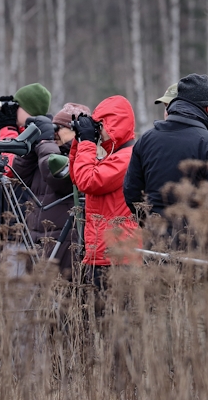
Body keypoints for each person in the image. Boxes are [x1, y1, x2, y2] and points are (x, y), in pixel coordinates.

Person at [123, 73, 208, 261]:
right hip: (198, 253)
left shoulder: (146, 139)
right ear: (207, 108)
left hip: (155, 248)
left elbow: (131, 192)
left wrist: (151, 225)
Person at [0, 82, 52, 277]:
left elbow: (10, 166)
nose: (12, 110)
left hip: (20, 231)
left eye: (16, 106)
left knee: (15, 288)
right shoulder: (19, 131)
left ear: (28, 109)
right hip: (0, 227)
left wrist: (7, 127)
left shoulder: (41, 136)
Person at [10, 102, 91, 281]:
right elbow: (18, 177)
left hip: (64, 245)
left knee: (61, 294)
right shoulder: (45, 155)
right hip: (37, 241)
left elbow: (58, 178)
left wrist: (45, 142)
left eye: (59, 128)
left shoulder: (80, 158)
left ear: (76, 130)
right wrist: (31, 148)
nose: (54, 133)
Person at [68, 95, 141, 289]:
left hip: (117, 255)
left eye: (100, 126)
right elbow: (77, 177)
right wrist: (80, 140)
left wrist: (87, 142)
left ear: (113, 126)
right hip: (105, 253)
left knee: (110, 308)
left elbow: (88, 181)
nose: (98, 132)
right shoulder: (114, 157)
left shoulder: (126, 158)